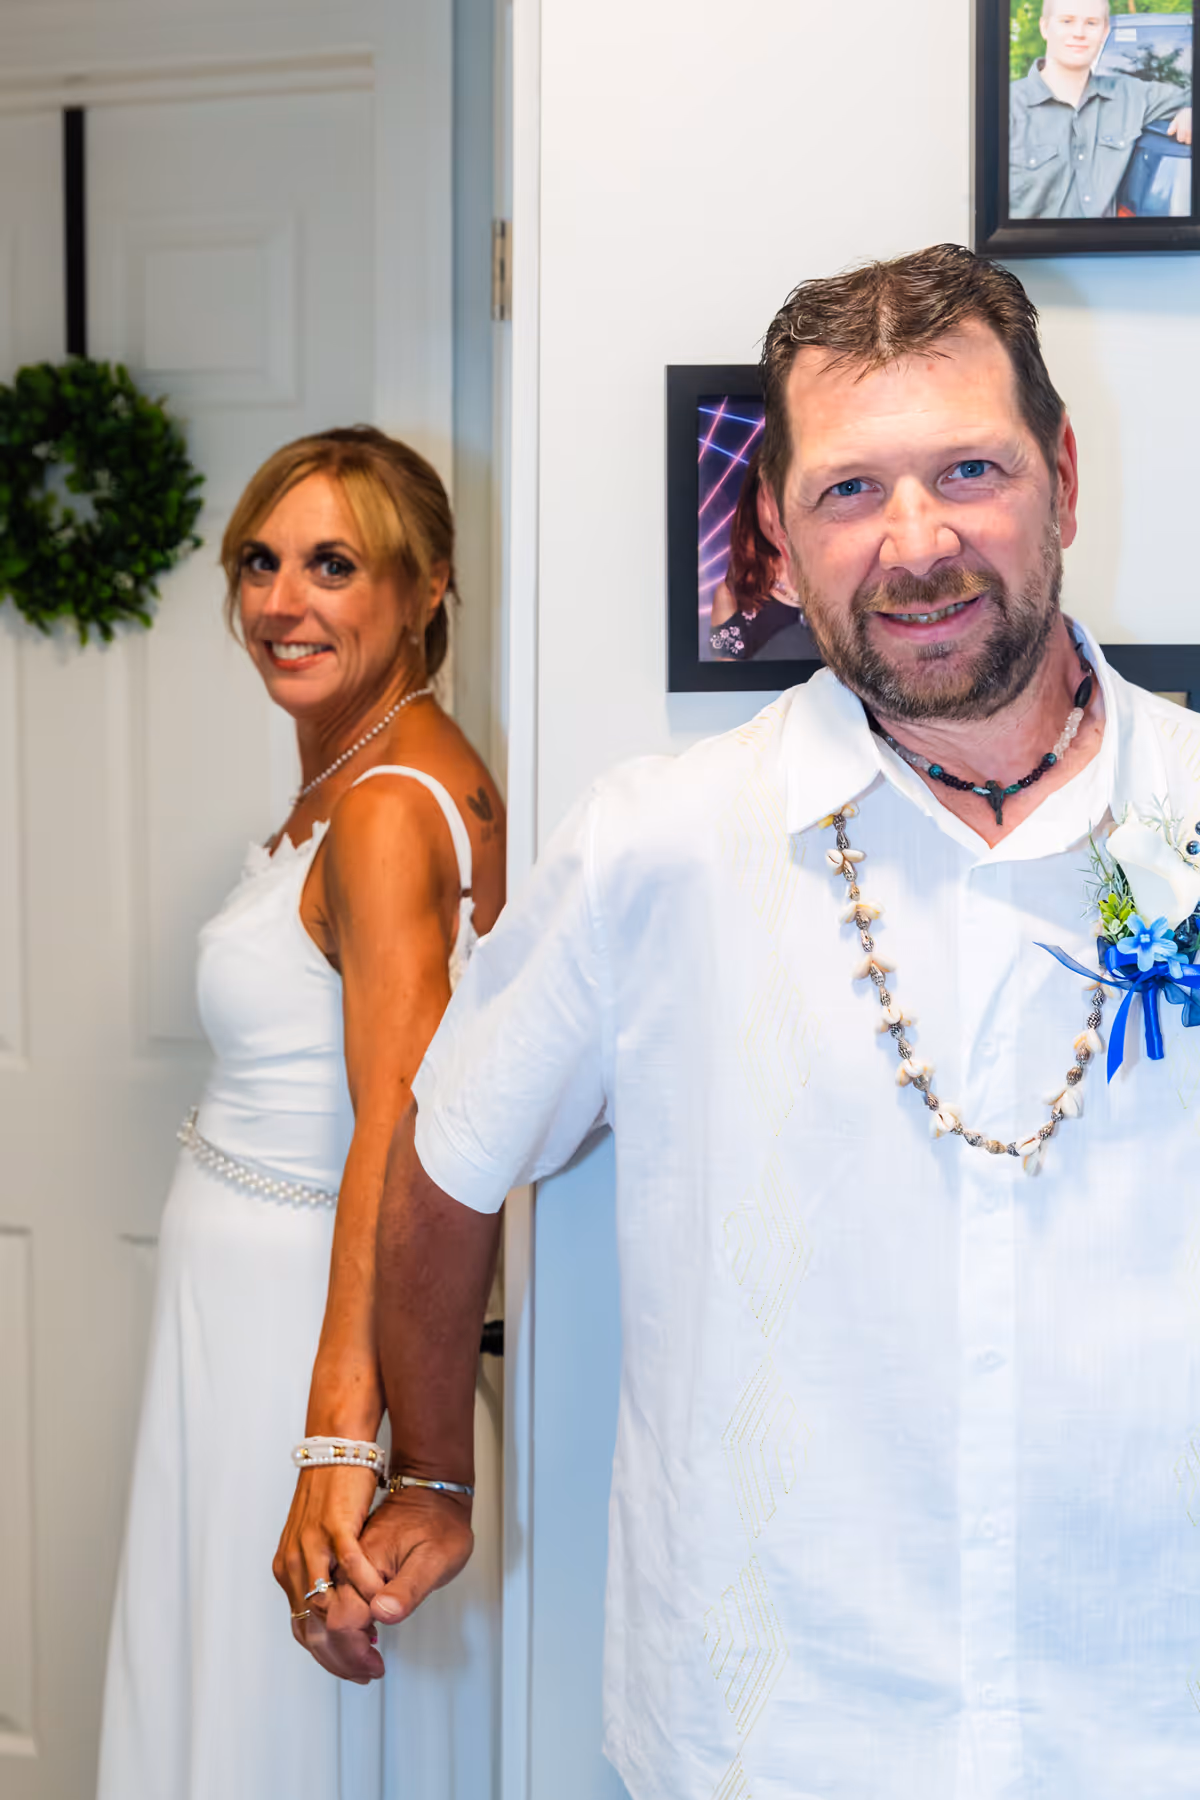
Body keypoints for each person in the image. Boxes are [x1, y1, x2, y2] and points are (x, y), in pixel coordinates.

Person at [313, 245, 1200, 1795]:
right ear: (778, 536)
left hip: (1151, 1699)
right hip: (779, 1729)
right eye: (851, 492)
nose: (916, 542)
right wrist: (432, 1468)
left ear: (1060, 475)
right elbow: (446, 1154)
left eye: (969, 470)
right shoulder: (656, 845)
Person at [97, 427, 505, 1800]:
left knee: (283, 1745)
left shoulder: (392, 807)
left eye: (334, 564)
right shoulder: (358, 777)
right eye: (262, 565)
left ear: (427, 584)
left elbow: (403, 1141)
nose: (284, 603)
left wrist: (339, 1444)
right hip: (242, 1327)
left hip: (301, 1346)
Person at [1010, 0, 1192, 219]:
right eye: (1067, 21)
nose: (1079, 33)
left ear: (1105, 31)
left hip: (1109, 250)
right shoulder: (1006, 109)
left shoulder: (1132, 95)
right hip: (1027, 252)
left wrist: (1190, 110)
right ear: (1045, 27)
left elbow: (1188, 92)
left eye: (1091, 23)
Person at [708, 449, 805, 659]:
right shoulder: (731, 596)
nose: (783, 518)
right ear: (753, 504)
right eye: (772, 499)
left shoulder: (850, 587)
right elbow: (726, 686)